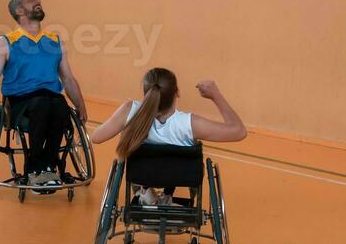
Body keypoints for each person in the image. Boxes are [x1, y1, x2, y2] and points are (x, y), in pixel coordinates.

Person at [0, 0, 88, 188]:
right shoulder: (6, 42)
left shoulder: (55, 40)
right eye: (31, 0)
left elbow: (68, 78)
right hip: (20, 101)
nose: (37, 0)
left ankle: (48, 167)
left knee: (59, 104)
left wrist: (80, 104)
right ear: (19, 10)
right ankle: (34, 169)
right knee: (44, 103)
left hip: (51, 98)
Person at [91, 68, 247, 204]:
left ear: (146, 93)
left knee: (131, 142)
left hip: (141, 173)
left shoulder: (130, 110)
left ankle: (145, 192)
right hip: (178, 176)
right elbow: (239, 131)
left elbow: (96, 137)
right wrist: (216, 95)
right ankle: (166, 195)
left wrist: (125, 125)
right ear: (177, 92)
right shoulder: (189, 124)